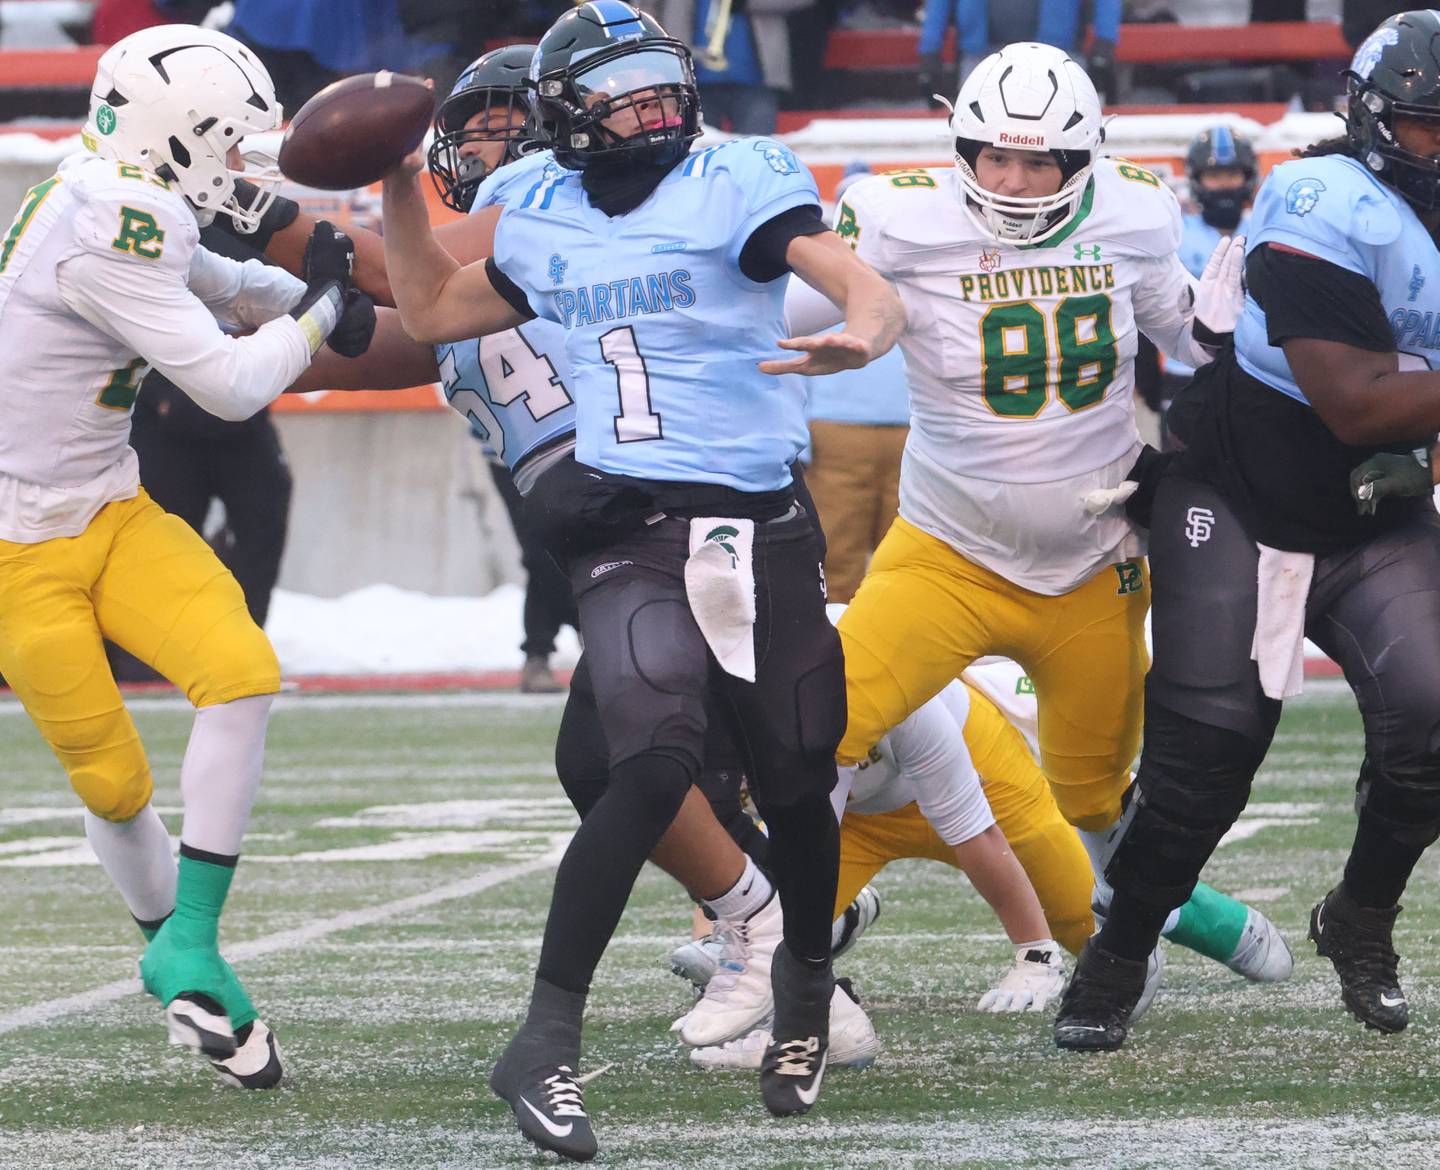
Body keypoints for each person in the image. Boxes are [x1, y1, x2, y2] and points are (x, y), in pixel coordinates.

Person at [378, 2, 905, 1156]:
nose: (653, 113)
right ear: (570, 121)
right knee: (645, 758)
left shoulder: (736, 177)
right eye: (623, 98)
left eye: (660, 89)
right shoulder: (543, 208)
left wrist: (867, 327)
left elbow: (855, 282)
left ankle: (805, 982)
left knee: (799, 775)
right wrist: (382, 188)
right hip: (630, 528)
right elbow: (421, 307)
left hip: (760, 526)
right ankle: (545, 1039)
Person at [786, 40, 1249, 1017]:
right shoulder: (896, 212)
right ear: (961, 145)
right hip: (944, 551)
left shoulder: (1131, 212)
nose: (1014, 179)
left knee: (1090, 794)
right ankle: (783, 963)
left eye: (1039, 162)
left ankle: (1178, 910)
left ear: (1082, 161)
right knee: (817, 729)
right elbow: (797, 298)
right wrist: (840, 330)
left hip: (1092, 559)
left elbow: (1187, 337)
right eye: (995, 156)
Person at [1055, 9, 1440, 1051]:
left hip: (1372, 510)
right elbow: (1356, 400)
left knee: (1435, 716)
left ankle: (1360, 915)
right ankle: (1122, 945)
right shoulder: (1321, 195)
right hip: (1238, 493)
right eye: (1430, 129)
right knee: (1207, 753)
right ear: (1370, 120)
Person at [0, 26, 372, 1086]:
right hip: (15, 551)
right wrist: (326, 311)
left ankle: (189, 949)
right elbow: (229, 384)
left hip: (111, 513)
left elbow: (211, 274)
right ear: (180, 136)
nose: (243, 162)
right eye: (232, 142)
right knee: (114, 786)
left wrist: (294, 298)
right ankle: (189, 965)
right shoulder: (105, 219)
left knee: (242, 672)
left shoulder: (115, 189)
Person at [678, 649, 1294, 1062]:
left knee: (1086, 912)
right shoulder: (735, 709)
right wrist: (728, 932)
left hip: (973, 781)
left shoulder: (887, 687)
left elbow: (976, 834)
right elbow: (718, 839)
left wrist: (1032, 950)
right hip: (854, 820)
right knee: (775, 931)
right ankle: (843, 914)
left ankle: (1200, 915)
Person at [1139, 125, 1260, 448]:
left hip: (1252, 374)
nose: (1223, 185)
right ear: (1197, 179)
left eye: (1232, 173)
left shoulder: (1266, 230)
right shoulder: (1174, 233)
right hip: (1185, 375)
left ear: (1247, 177)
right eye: (1214, 175)